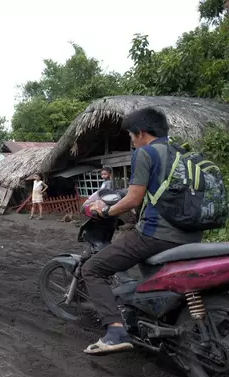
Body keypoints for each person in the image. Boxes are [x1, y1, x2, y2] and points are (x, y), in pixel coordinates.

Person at [84, 107, 204, 355]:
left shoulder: (146, 153)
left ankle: (115, 331)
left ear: (140, 133)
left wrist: (105, 212)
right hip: (192, 236)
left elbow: (133, 200)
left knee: (92, 269)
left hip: (157, 235)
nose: (131, 140)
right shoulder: (181, 154)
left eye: (130, 135)